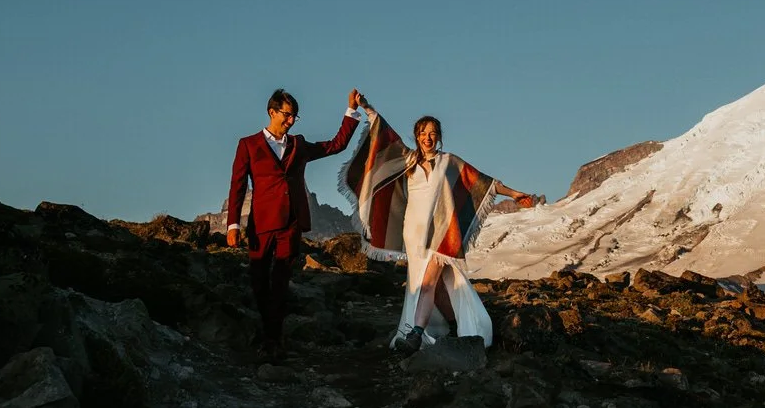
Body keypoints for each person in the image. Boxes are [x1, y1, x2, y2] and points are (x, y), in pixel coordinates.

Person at [342, 103, 536, 352]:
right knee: (438, 284)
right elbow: (385, 136)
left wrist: (515, 193)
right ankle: (454, 326)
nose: (427, 137)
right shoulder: (409, 160)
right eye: (422, 133)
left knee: (427, 283)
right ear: (416, 136)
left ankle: (416, 334)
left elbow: (483, 182)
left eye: (432, 132)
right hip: (413, 233)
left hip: (440, 232)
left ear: (439, 136)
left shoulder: (449, 161)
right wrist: (367, 109)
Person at [228, 87, 363, 360]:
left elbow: (335, 145)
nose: (290, 121)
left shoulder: (298, 145)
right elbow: (238, 186)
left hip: (291, 222)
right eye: (287, 115)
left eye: (294, 118)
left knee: (280, 282)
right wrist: (232, 225)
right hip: (261, 224)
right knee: (258, 282)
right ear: (272, 112)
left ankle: (272, 341)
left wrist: (351, 111)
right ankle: (270, 333)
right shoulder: (248, 145)